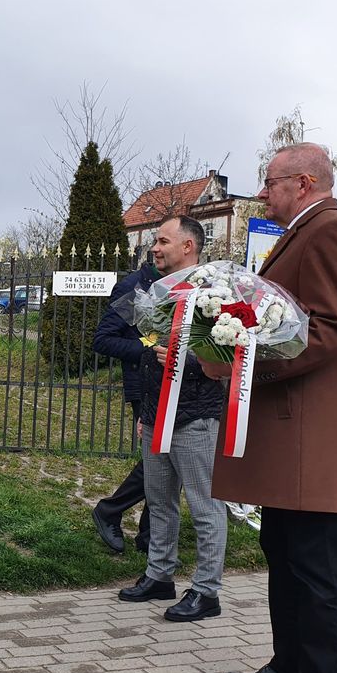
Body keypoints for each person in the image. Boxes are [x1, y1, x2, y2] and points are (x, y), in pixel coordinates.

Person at [203, 143, 337, 673]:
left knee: (315, 569)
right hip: (288, 430)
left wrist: (246, 360)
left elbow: (329, 329)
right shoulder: (302, 231)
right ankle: (289, 665)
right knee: (283, 554)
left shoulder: (334, 232)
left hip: (310, 431)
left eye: (270, 182)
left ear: (303, 182)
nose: (263, 192)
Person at [117, 215, 229, 622]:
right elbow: (151, 352)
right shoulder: (155, 292)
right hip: (156, 414)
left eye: (162, 240)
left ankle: (206, 591)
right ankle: (159, 576)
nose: (154, 247)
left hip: (195, 416)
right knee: (160, 502)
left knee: (204, 507)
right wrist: (146, 412)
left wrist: (192, 363)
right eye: (154, 241)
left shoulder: (215, 293)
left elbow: (232, 354)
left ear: (188, 246)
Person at [91, 255, 158, 554]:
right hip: (144, 384)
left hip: (178, 384)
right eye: (159, 243)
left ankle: (149, 537)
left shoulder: (184, 285)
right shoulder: (134, 288)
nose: (159, 249)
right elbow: (103, 340)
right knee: (160, 461)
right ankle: (110, 510)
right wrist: (147, 349)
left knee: (168, 464)